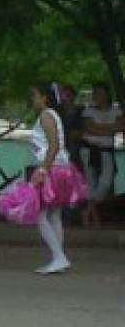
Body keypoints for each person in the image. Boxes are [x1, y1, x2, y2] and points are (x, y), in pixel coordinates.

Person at [26, 82, 86, 274]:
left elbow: (53, 145)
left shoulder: (46, 116)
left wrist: (43, 170)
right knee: (54, 214)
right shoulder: (53, 115)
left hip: (51, 169)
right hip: (59, 168)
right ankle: (58, 257)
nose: (32, 99)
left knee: (40, 214)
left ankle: (59, 257)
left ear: (45, 97)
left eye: (34, 95)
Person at [80, 83, 122, 229]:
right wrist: (109, 129)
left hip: (106, 149)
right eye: (96, 93)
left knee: (105, 182)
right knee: (90, 183)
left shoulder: (115, 109)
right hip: (89, 149)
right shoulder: (89, 110)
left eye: (101, 93)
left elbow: (120, 126)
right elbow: (88, 127)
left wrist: (100, 129)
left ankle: (89, 210)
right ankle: (94, 217)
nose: (98, 96)